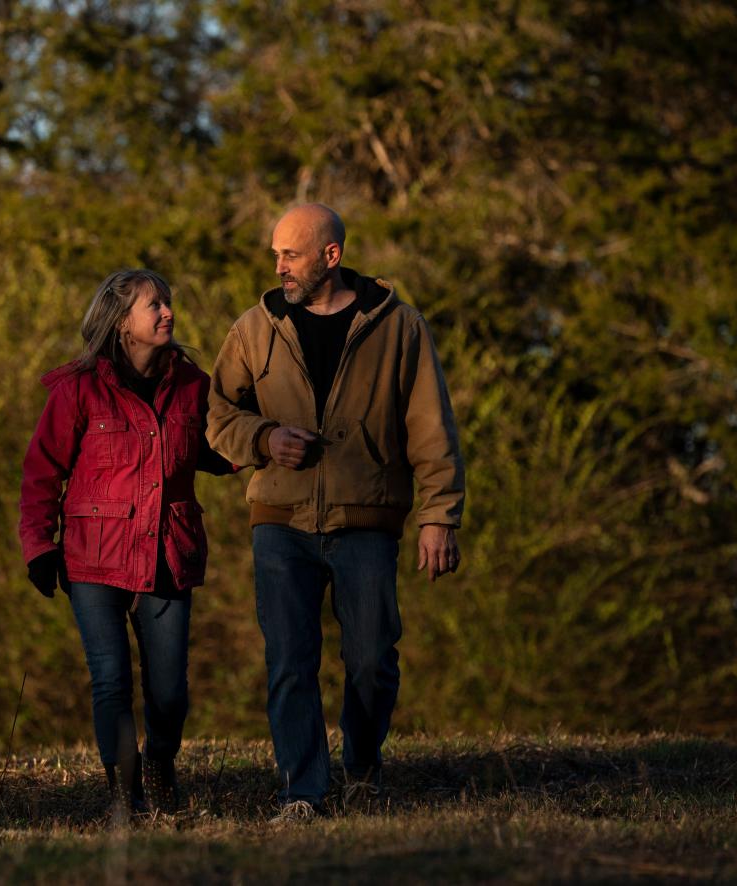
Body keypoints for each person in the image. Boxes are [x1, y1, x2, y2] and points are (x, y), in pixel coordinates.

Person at [206, 203, 465, 821]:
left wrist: (440, 516)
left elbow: (431, 426)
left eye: (290, 255)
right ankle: (302, 793)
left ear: (331, 256)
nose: (278, 267)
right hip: (279, 519)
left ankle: (363, 769)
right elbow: (216, 415)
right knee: (289, 660)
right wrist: (264, 439)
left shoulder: (399, 326)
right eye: (275, 254)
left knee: (373, 658)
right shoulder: (253, 327)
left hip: (367, 519)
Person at [19, 268, 235, 823]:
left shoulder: (193, 385)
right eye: (154, 305)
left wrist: (261, 444)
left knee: (169, 693)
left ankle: (160, 763)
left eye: (168, 303)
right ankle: (126, 793)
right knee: (110, 678)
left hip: (169, 553)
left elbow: (216, 447)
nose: (168, 313)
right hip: (93, 558)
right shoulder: (78, 389)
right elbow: (42, 472)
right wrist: (39, 546)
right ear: (122, 323)